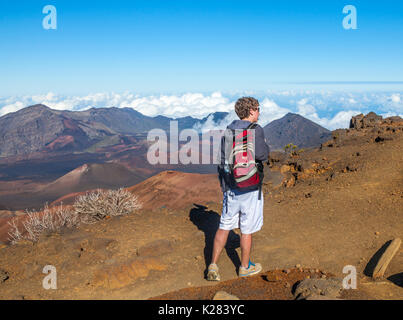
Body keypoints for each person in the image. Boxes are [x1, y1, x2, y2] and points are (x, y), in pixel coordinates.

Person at [207, 97, 270, 281]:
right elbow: (262, 154)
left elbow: (223, 158)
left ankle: (213, 265)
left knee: (224, 226)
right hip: (250, 187)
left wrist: (225, 185)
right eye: (258, 109)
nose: (259, 112)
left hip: (231, 186)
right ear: (251, 111)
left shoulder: (229, 130)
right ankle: (244, 267)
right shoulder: (255, 130)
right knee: (246, 229)